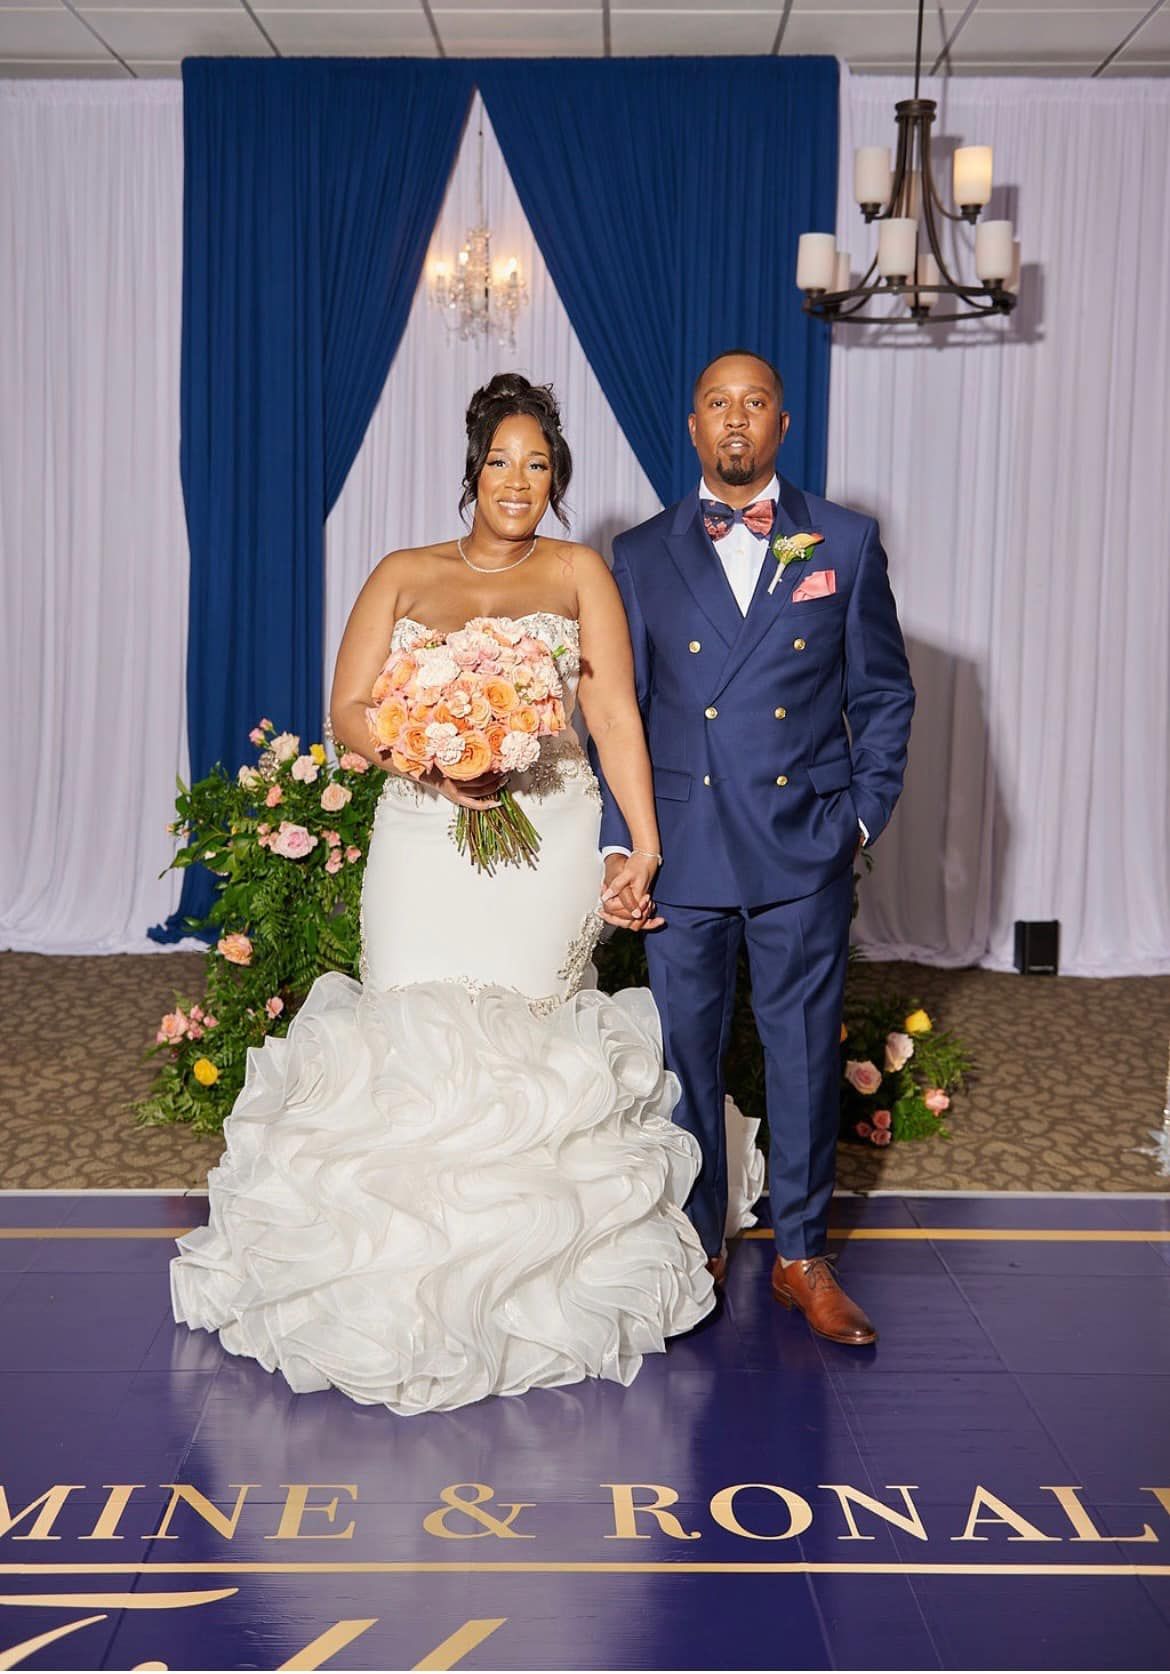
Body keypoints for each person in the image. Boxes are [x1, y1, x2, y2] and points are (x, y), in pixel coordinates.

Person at [171, 373, 759, 1415]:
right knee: (408, 1031)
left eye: (540, 465)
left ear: (557, 481)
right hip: (425, 836)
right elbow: (349, 710)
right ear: (472, 470)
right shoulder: (403, 573)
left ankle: (539, 1281)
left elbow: (617, 718)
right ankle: (385, 1276)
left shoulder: (582, 573)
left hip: (552, 832)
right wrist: (434, 758)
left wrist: (646, 849)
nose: (520, 481)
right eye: (503, 462)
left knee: (530, 1035)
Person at [593, 350, 915, 1346]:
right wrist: (622, 846)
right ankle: (698, 1249)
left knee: (804, 1054)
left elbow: (883, 693)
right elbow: (622, 715)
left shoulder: (844, 542)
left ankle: (802, 1255)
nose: (736, 421)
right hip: (682, 848)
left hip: (799, 846)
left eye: (755, 404)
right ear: (692, 428)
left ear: (782, 424)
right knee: (686, 1058)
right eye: (716, 405)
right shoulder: (638, 553)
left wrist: (857, 818)